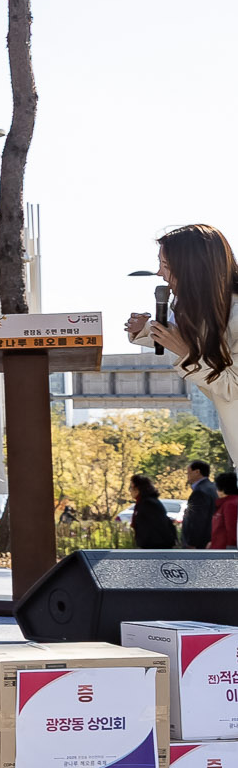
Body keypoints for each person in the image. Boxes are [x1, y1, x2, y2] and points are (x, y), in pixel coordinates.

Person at [126, 224, 238, 466]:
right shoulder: (206, 308)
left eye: (166, 266)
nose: (159, 274)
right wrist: (144, 330)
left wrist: (187, 354)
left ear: (194, 270)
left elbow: (233, 387)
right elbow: (183, 336)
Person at [128, 475, 180, 550]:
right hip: (153, 545)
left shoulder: (148, 503)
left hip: (156, 547)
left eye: (131, 488)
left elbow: (157, 526)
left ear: (138, 489)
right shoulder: (144, 502)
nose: (130, 491)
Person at [184, 461, 221, 549]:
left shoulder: (200, 492)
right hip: (210, 539)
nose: (187, 476)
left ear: (197, 472)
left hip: (200, 543)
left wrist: (192, 542)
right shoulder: (213, 487)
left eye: (189, 473)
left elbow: (198, 519)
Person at [213, 470, 238, 549]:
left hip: (224, 553)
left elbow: (233, 532)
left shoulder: (230, 505)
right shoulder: (226, 504)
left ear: (222, 489)